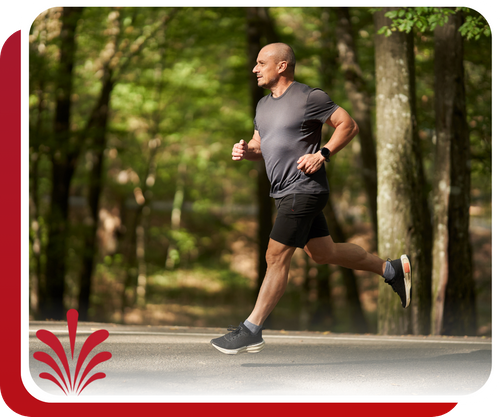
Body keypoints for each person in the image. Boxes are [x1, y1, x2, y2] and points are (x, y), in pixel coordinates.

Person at [210, 43, 411, 355]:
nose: (255, 68)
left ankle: (252, 329)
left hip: (304, 189)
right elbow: (260, 145)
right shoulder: (263, 106)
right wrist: (246, 151)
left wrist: (323, 153)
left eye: (261, 63)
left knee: (275, 256)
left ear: (282, 66)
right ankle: (391, 270)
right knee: (323, 252)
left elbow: (349, 125)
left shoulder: (309, 97)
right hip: (283, 192)